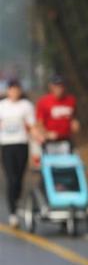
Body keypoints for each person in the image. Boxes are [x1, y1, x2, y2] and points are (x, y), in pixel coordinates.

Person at [0, 79, 35, 227]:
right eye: (11, 89)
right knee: (11, 178)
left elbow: (32, 126)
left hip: (22, 144)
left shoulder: (26, 106)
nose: (14, 92)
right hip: (7, 145)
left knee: (19, 178)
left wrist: (38, 141)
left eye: (16, 89)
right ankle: (13, 213)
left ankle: (17, 198)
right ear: (8, 91)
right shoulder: (2, 106)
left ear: (20, 91)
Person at [35, 74, 80, 144]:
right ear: (51, 87)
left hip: (67, 139)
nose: (59, 89)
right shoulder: (43, 102)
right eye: (56, 86)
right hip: (51, 141)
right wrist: (47, 134)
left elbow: (73, 118)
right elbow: (39, 123)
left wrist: (75, 123)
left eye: (61, 86)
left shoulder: (71, 100)